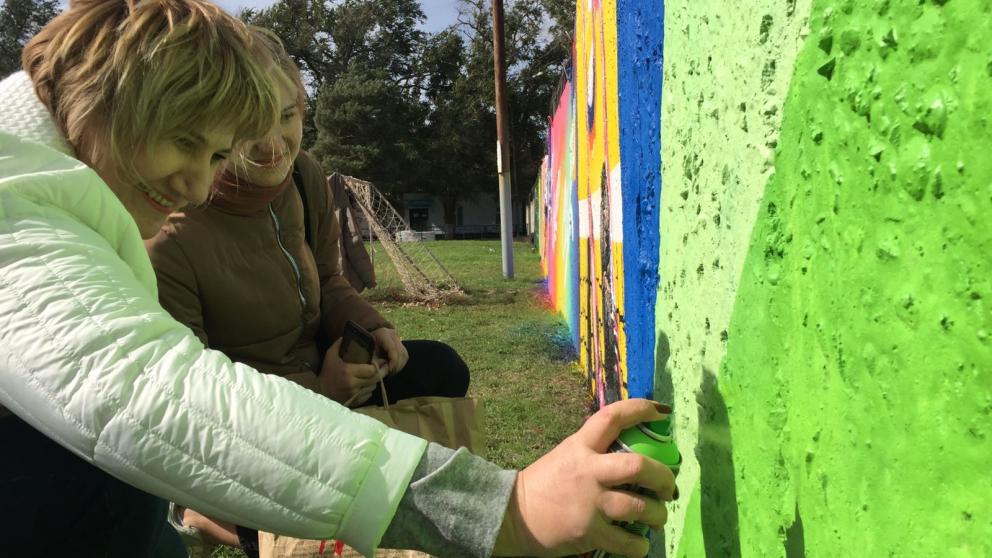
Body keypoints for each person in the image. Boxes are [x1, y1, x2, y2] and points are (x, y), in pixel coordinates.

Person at [0, 1, 676, 557]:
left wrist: (363, 329)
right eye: (187, 143)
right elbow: (144, 393)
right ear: (120, 97)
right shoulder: (17, 205)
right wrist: (504, 509)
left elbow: (324, 280)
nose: (199, 185)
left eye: (213, 155)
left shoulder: (83, 189)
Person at [144, 28, 470, 554]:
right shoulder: (170, 239)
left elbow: (331, 277)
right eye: (249, 126)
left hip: (324, 371)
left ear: (303, 108)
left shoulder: (304, 176)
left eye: (287, 117)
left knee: (441, 369)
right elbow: (196, 401)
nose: (274, 144)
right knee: (296, 517)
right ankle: (208, 516)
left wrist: (370, 326)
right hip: (251, 416)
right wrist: (321, 393)